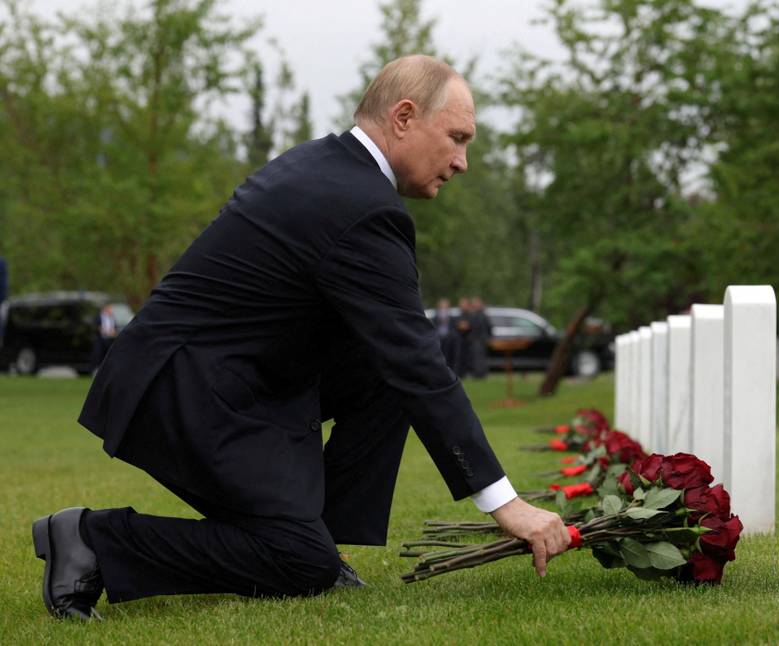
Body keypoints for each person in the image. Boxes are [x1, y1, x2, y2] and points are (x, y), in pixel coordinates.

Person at [31, 55, 569, 622]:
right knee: (295, 561)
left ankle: (322, 541)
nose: (462, 162)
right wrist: (505, 504)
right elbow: (420, 364)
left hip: (223, 378)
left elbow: (397, 356)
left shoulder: (327, 167)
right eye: (457, 138)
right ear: (404, 117)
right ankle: (90, 540)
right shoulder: (360, 206)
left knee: (385, 376)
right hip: (183, 391)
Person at [467, 296, 491, 378]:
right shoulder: (474, 314)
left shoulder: (482, 315)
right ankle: (477, 373)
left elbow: (488, 327)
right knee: (475, 358)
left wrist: (486, 338)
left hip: (480, 340)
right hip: (475, 340)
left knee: (480, 358)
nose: (476, 304)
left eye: (477, 303)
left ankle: (481, 374)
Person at [433, 297, 458, 368]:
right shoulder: (436, 316)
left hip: (449, 339)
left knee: (449, 356)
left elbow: (454, 328)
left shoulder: (451, 316)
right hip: (439, 339)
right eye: (443, 305)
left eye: (446, 305)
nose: (444, 306)